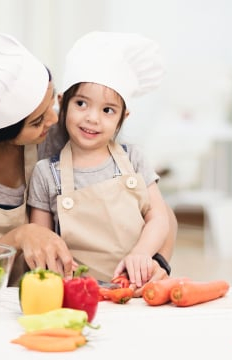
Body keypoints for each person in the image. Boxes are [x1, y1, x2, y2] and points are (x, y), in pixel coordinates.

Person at [0, 23, 176, 287]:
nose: (53, 119)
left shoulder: (74, 131)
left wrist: (155, 263)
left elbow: (158, 215)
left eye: (51, 102)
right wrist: (19, 236)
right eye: (37, 121)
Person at [27, 31, 170, 289]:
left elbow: (159, 215)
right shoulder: (46, 173)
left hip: (136, 287)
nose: (93, 118)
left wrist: (142, 253)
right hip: (77, 292)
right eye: (82, 103)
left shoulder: (133, 159)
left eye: (107, 110)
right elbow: (43, 239)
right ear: (63, 104)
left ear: (123, 117)